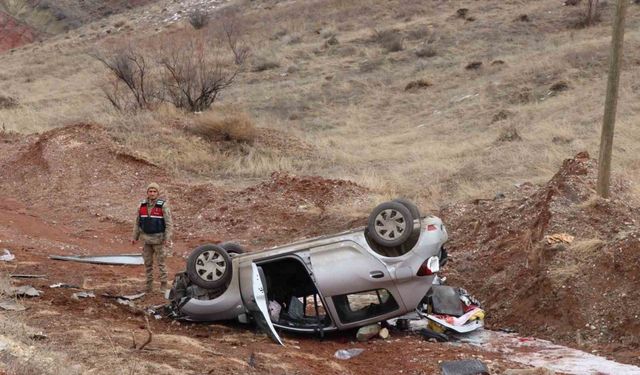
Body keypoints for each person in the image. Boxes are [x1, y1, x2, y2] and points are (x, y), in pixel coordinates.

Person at [132, 182, 173, 293]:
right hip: (146, 240)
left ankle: (163, 286)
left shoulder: (163, 206)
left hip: (159, 240)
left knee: (161, 264)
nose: (152, 193)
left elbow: (169, 224)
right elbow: (137, 223)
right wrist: (134, 237)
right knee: (148, 263)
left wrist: (167, 238)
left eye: (154, 191)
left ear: (158, 193)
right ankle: (149, 286)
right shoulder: (142, 205)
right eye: (150, 191)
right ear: (147, 192)